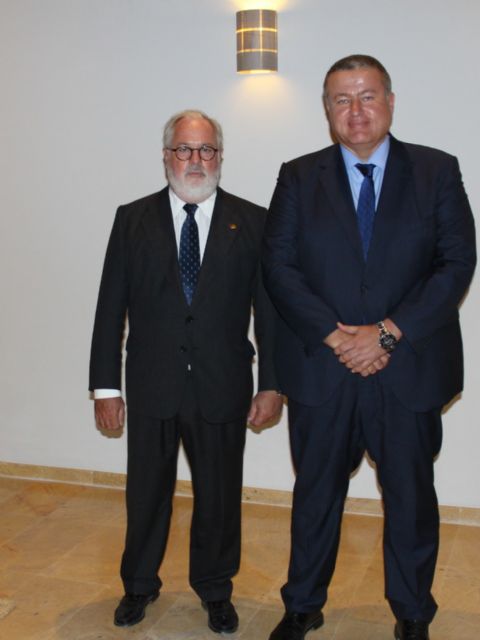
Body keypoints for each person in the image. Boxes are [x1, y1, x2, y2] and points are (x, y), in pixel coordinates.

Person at [262, 55, 476, 640]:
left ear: (390, 101)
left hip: (407, 369)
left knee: (410, 498)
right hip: (322, 369)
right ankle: (302, 605)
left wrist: (386, 333)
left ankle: (413, 612)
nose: (355, 110)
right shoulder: (297, 176)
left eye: (367, 96)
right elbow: (278, 268)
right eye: (341, 99)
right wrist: (338, 337)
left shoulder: (436, 171)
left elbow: (455, 264)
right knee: (315, 497)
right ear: (327, 109)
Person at [89, 109, 282, 634]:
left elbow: (269, 312)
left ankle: (216, 590)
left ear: (219, 156)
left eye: (206, 150)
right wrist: (105, 387)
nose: (195, 160)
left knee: (219, 498)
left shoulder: (254, 221)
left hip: (223, 384)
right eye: (184, 149)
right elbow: (110, 308)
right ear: (166, 155)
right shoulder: (132, 219)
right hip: (152, 383)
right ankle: (138, 585)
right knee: (146, 495)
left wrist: (272, 384)